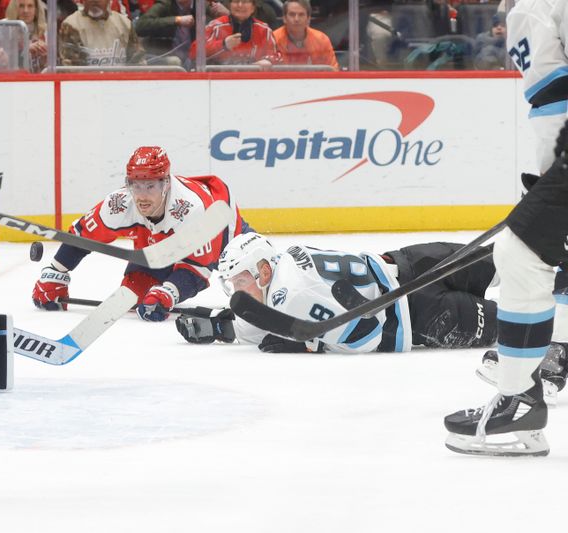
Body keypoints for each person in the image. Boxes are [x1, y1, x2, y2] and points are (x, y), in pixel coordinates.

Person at [443, 0, 568, 457]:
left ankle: (519, 400)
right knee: (544, 253)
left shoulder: (537, 7)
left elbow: (554, 95)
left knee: (520, 253)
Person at [177, 233, 498, 353]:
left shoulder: (291, 298)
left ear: (263, 271)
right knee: (513, 265)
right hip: (412, 263)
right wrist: (221, 323)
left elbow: (368, 336)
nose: (236, 290)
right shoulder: (287, 255)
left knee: (520, 318)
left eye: (239, 280)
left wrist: (311, 344)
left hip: (421, 315)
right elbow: (258, 320)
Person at [32, 146, 250, 322]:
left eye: (150, 186)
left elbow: (199, 268)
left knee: (255, 282)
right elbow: (82, 238)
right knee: (131, 294)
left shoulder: (190, 209)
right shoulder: (120, 203)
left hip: (221, 232)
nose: (142, 196)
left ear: (165, 184)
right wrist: (55, 272)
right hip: (157, 239)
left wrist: (170, 293)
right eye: (136, 186)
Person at [189, 0, 279, 68]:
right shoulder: (215, 26)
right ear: (229, 5)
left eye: (244, 1)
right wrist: (223, 44)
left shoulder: (264, 30)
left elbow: (277, 56)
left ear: (253, 8)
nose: (240, 5)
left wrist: (268, 60)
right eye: (236, 1)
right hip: (219, 81)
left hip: (253, 83)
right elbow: (193, 52)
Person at [134, 0, 224, 66]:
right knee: (175, 61)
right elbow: (140, 25)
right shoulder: (165, 4)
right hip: (164, 55)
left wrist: (227, 13)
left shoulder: (202, 5)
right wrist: (176, 20)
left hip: (193, 58)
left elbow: (230, 24)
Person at [59, 0, 147, 66]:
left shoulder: (124, 23)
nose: (95, 1)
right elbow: (72, 69)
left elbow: (138, 63)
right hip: (87, 86)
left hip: (121, 85)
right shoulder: (71, 24)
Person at [273, 0, 338, 69]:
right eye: (292, 14)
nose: (296, 19)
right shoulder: (273, 39)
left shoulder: (321, 40)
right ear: (284, 18)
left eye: (301, 14)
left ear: (308, 19)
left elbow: (333, 71)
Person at [6, 0, 48, 71]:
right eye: (21, 6)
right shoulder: (4, 26)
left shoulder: (45, 29)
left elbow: (47, 66)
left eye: (30, 6)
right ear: (14, 8)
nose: (26, 10)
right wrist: (25, 50)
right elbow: (1, 60)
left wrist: (44, 56)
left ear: (36, 9)